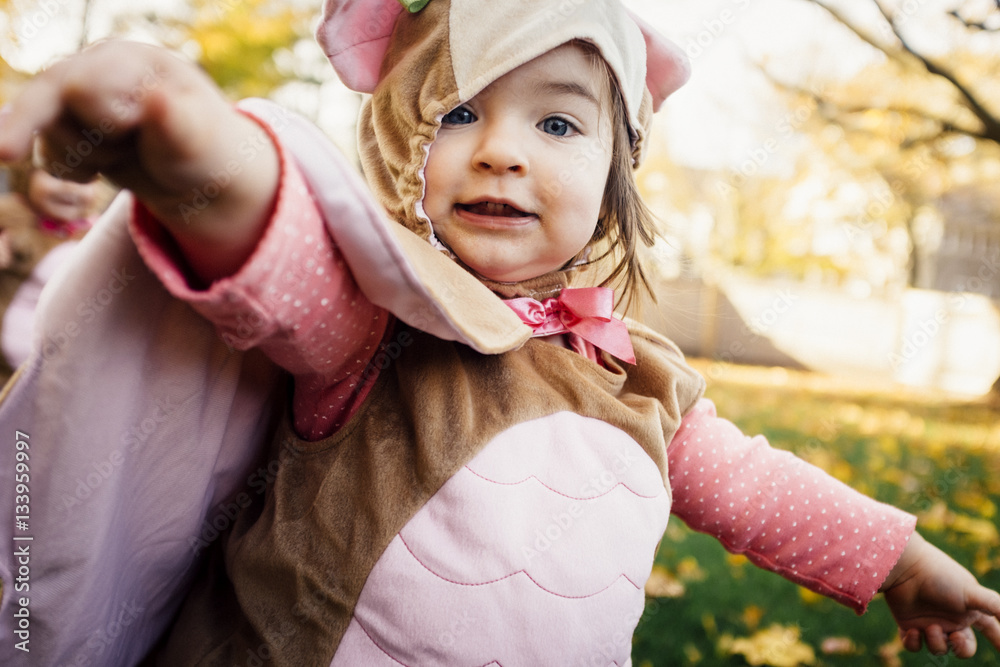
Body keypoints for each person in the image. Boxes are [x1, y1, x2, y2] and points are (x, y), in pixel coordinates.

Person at [0, 0, 998, 664]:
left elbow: (749, 484)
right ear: (398, 141)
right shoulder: (375, 330)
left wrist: (897, 560)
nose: (503, 153)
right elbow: (274, 237)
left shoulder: (635, 376)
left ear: (615, 179)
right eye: (460, 112)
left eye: (557, 125)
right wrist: (188, 145)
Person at [0, 163, 105, 383]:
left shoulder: (100, 233)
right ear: (26, 176)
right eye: (55, 174)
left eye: (84, 179)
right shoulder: (10, 215)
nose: (70, 187)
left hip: (58, 371)